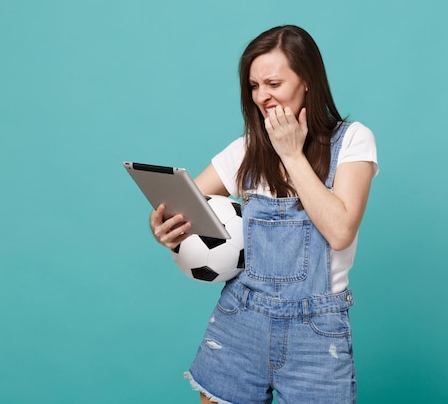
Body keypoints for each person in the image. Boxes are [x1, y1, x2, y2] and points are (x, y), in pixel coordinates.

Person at [150, 25, 378, 404]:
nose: (262, 97)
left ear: (307, 80)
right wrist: (161, 226)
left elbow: (340, 231)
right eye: (254, 86)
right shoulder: (248, 148)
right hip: (241, 320)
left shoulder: (352, 141)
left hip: (316, 331)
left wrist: (291, 153)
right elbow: (183, 203)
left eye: (273, 83)